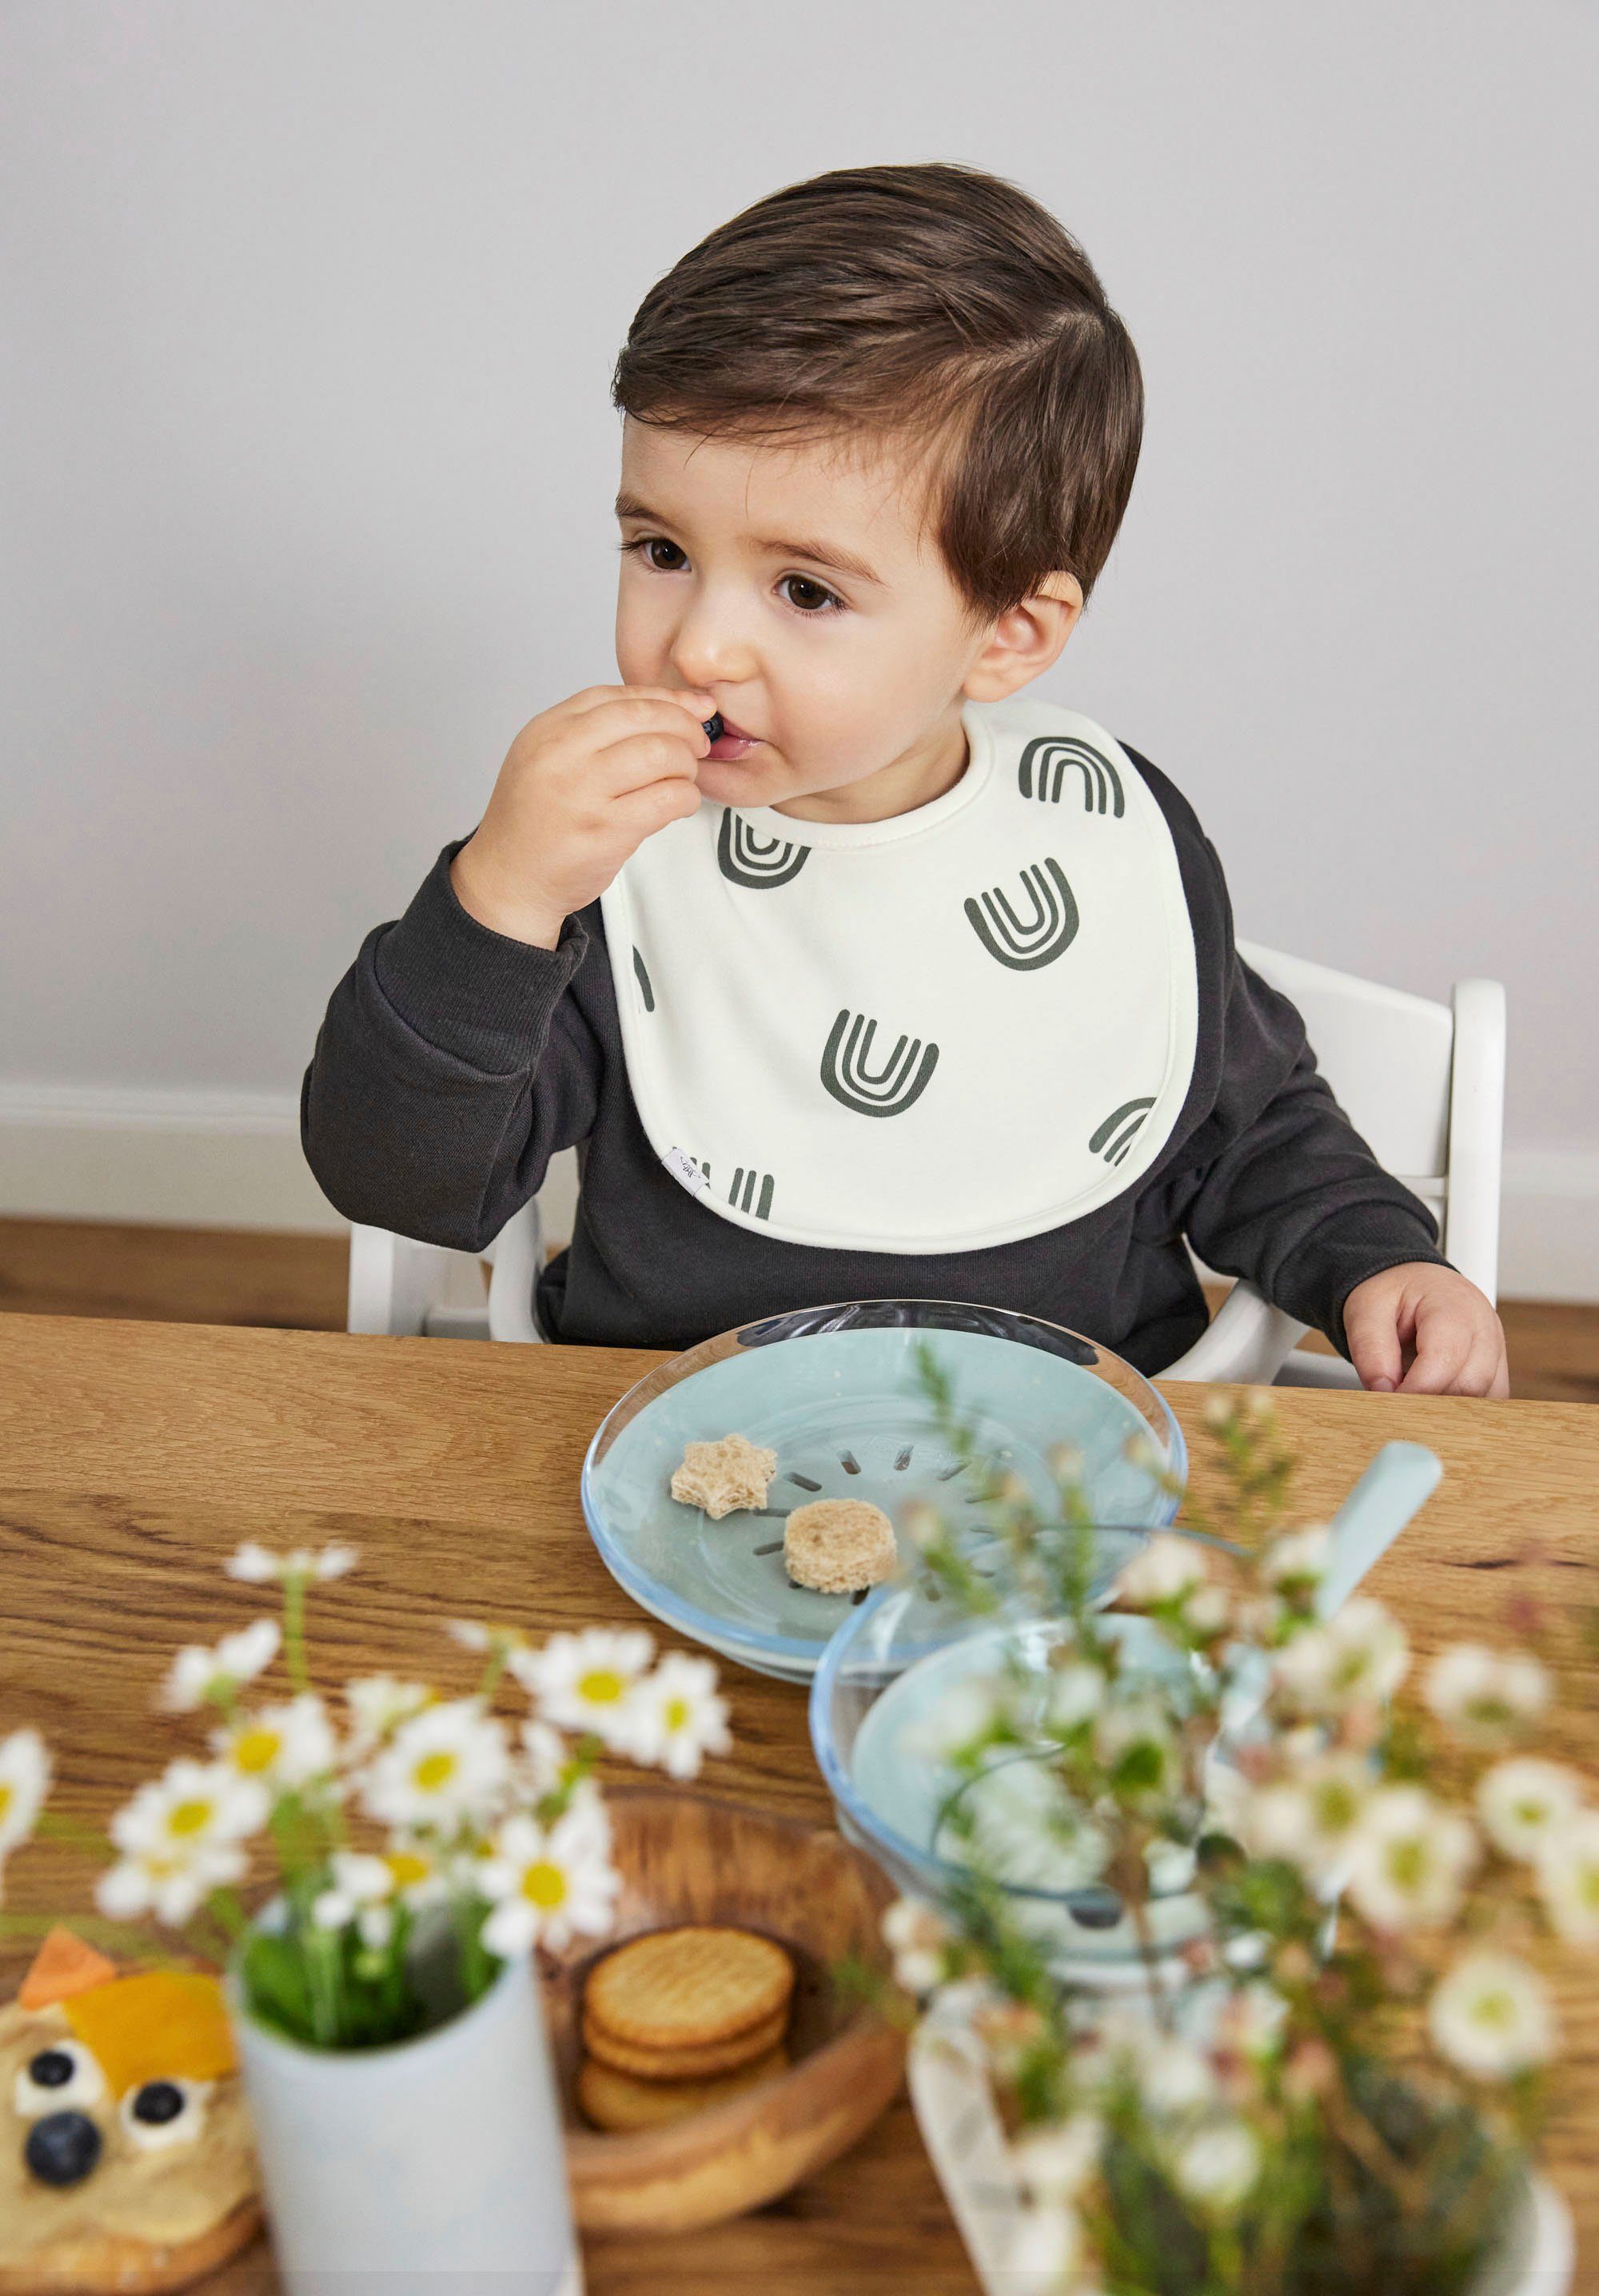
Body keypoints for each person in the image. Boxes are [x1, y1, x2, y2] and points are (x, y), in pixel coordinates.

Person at [301, 161, 1508, 1397]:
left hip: (1070, 1483)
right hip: (663, 1458)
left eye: (806, 589)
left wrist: (1377, 1262)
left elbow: (1245, 1128)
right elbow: (399, 1178)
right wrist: (497, 902)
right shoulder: (605, 857)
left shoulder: (1091, 832)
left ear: (1008, 635)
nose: (700, 646)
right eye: (661, 548)